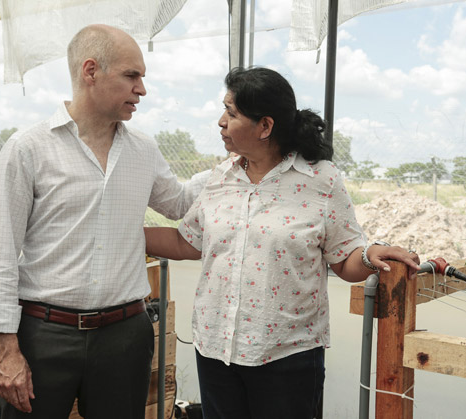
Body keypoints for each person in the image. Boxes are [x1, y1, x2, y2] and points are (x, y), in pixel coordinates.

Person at [143, 67, 420, 419]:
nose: (220, 122)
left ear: (265, 126)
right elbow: (188, 243)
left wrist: (368, 255)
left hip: (287, 357)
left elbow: (343, 261)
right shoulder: (220, 177)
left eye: (231, 113)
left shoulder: (320, 179)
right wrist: (126, 234)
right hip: (216, 350)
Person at [0, 24, 206, 419]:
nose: (142, 89)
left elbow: (179, 202)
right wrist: (7, 351)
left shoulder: (142, 149)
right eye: (132, 76)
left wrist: (238, 163)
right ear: (91, 71)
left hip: (124, 336)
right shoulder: (28, 148)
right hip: (43, 335)